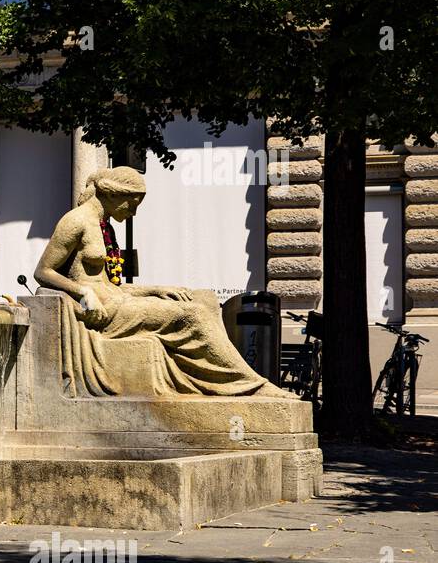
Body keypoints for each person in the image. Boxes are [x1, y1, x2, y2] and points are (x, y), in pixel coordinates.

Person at [34, 165, 290, 397]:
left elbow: (113, 284)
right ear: (112, 194)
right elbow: (43, 272)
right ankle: (249, 385)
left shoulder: (105, 226)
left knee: (205, 299)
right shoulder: (75, 221)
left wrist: (157, 289)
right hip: (104, 312)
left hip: (118, 299)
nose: (133, 212)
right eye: (131, 203)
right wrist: (82, 293)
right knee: (193, 315)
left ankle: (232, 380)